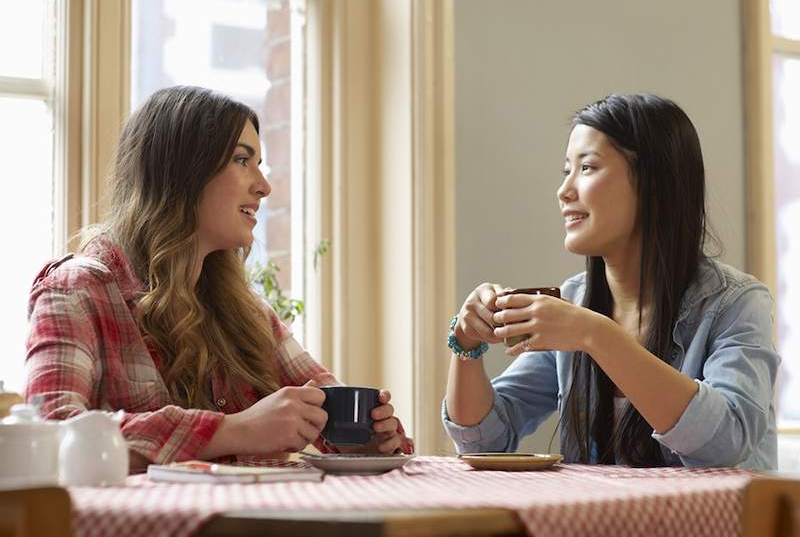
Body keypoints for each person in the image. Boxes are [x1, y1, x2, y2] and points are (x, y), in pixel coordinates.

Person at [25, 86, 412, 471]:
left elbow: (329, 403)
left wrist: (370, 438)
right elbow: (49, 437)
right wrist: (232, 430)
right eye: (243, 160)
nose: (263, 185)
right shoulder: (77, 290)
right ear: (181, 171)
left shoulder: (248, 313)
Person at [442, 93, 779, 468]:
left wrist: (597, 336)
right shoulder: (575, 302)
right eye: (565, 170)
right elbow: (487, 439)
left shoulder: (736, 304)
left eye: (586, 168)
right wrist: (467, 346)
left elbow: (726, 443)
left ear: (654, 182)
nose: (564, 190)